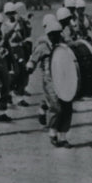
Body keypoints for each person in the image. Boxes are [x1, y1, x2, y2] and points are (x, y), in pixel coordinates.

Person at [27, 15, 72, 147]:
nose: (56, 36)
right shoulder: (43, 46)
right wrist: (30, 66)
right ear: (48, 34)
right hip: (49, 80)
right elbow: (33, 59)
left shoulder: (63, 44)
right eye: (53, 34)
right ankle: (53, 132)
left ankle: (63, 136)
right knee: (56, 107)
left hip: (63, 78)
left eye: (58, 34)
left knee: (67, 107)